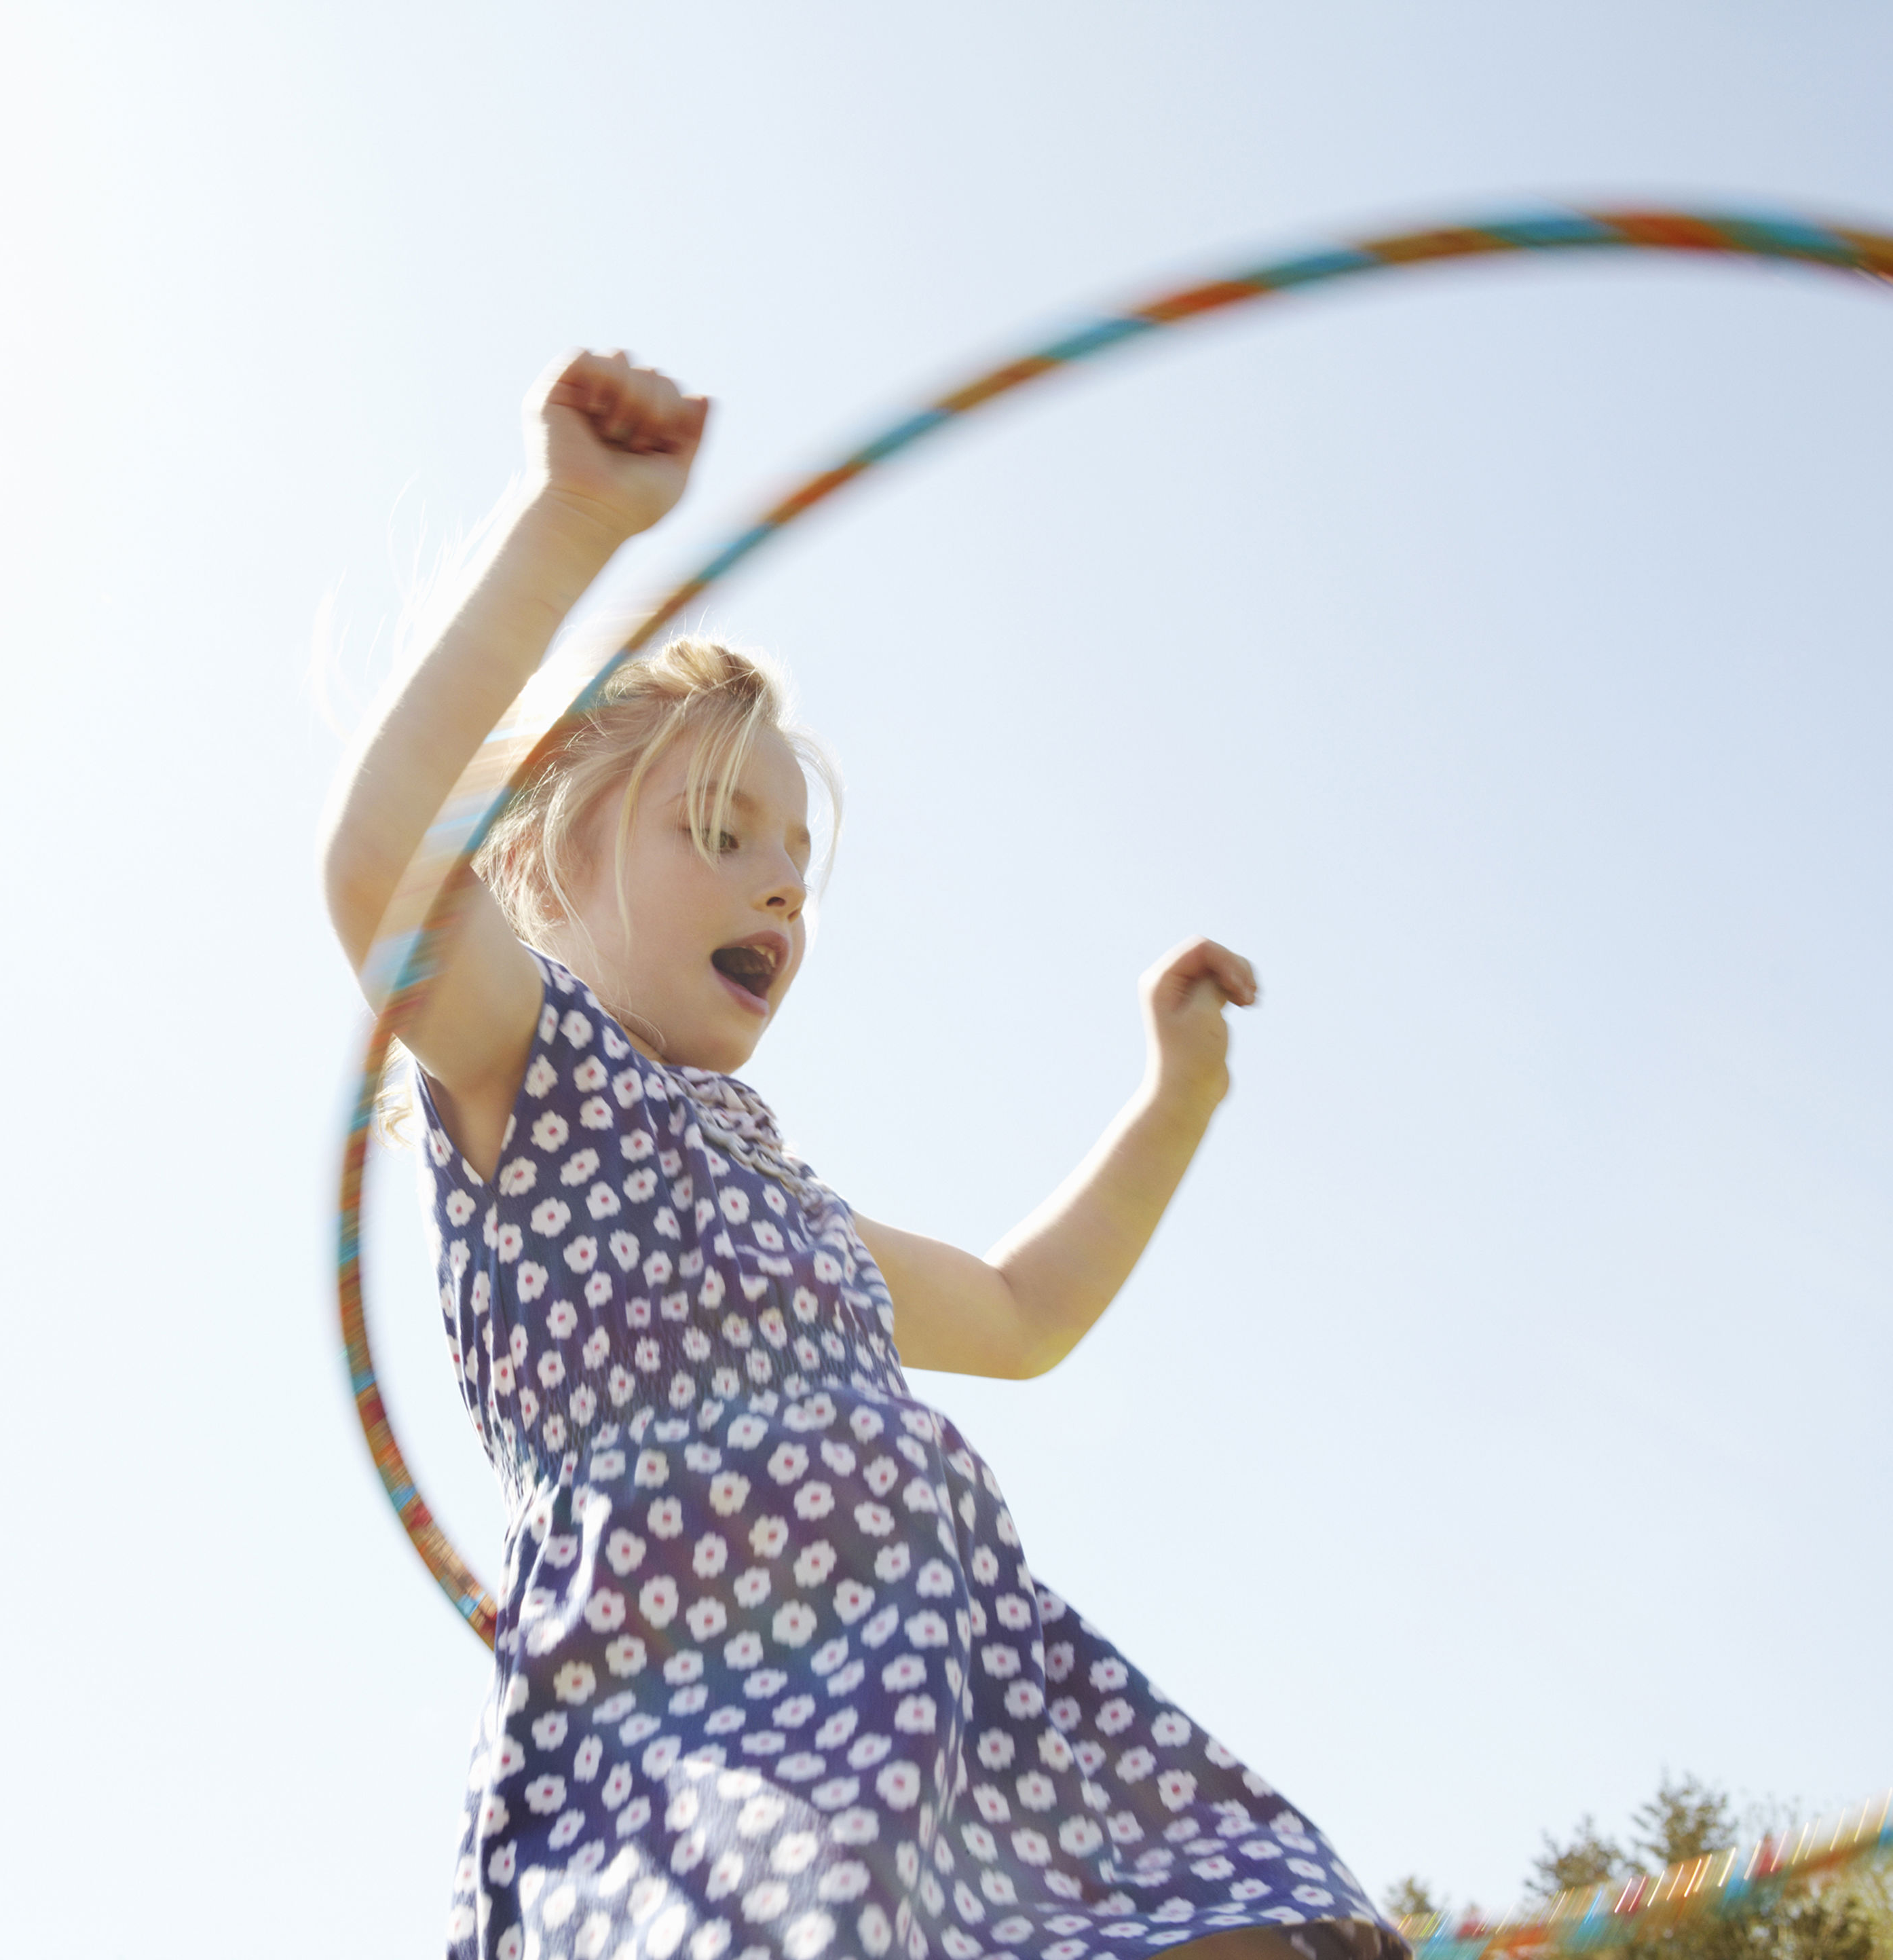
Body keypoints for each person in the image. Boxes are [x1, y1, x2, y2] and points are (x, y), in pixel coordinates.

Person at [322, 351, 1400, 1960]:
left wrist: (1176, 1096)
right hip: (708, 1721)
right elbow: (383, 864)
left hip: (972, 1697)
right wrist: (571, 524)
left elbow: (1025, 1310)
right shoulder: (526, 1070)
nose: (778, 891)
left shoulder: (793, 1216)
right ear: (544, 848)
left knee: (1261, 1921)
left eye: (797, 865)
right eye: (717, 833)